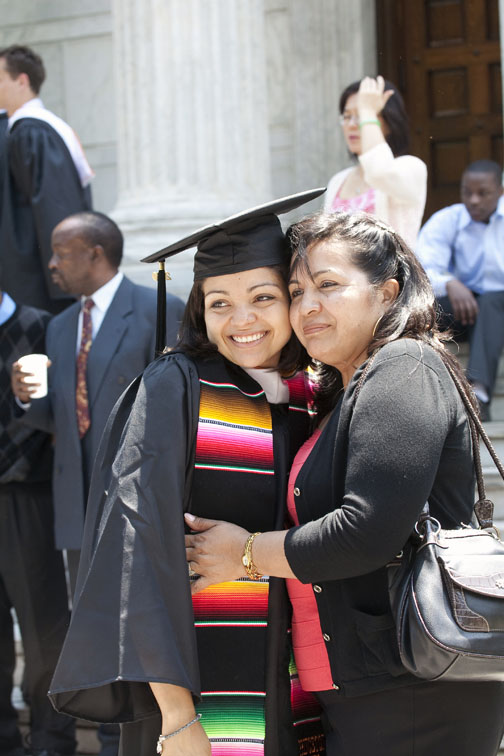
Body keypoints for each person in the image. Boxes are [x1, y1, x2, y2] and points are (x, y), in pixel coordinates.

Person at [184, 211, 504, 756]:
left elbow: (367, 531)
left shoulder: (406, 366)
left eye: (328, 286)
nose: (307, 306)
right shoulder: (340, 394)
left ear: (387, 292)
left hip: (415, 689)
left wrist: (246, 555)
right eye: (296, 290)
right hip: (367, 686)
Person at [47, 190, 326, 756]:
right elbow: (137, 549)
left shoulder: (315, 393)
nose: (241, 320)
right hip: (194, 693)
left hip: (300, 686)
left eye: (263, 297)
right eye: (219, 302)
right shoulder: (176, 387)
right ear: (198, 308)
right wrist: (177, 718)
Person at [11, 211, 184, 756]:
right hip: (77, 510)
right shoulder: (60, 327)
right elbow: (61, 420)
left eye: (62, 252)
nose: (51, 264)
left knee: (140, 627)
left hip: (138, 507)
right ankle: (110, 736)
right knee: (96, 631)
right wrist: (26, 397)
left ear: (95, 253)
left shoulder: (159, 310)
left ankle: (149, 733)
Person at [0, 289, 76, 756]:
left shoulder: (43, 327)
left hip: (28, 498)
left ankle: (52, 739)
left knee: (43, 626)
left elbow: (59, 414)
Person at [0, 45, 93, 315]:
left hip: (40, 284)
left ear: (22, 80)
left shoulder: (32, 132)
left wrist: (66, 277)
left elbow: (54, 207)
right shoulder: (32, 128)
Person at [416, 159, 504, 420]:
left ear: (500, 191)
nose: (474, 200)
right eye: (467, 192)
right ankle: (423, 393)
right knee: (419, 313)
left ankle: (478, 392)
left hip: (499, 307)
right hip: (467, 310)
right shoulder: (447, 220)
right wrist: (450, 283)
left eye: (483, 193)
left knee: (493, 300)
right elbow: (422, 268)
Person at [324, 75, 427, 248]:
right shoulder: (338, 180)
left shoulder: (411, 167)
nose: (352, 124)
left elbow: (378, 171)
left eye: (362, 115)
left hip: (389, 274)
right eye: (347, 116)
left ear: (389, 122)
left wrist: (368, 111)